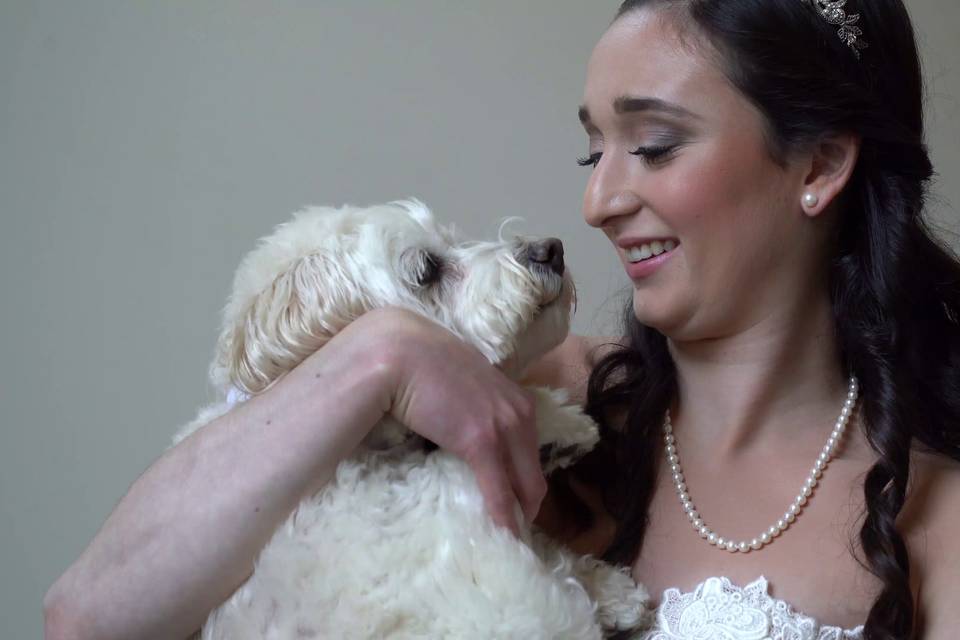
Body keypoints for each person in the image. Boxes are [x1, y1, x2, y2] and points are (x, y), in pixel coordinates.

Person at [44, 0, 960, 638]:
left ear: (818, 166)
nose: (599, 200)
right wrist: (379, 355)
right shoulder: (520, 404)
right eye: (592, 150)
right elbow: (89, 617)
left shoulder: (937, 517)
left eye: (652, 145)